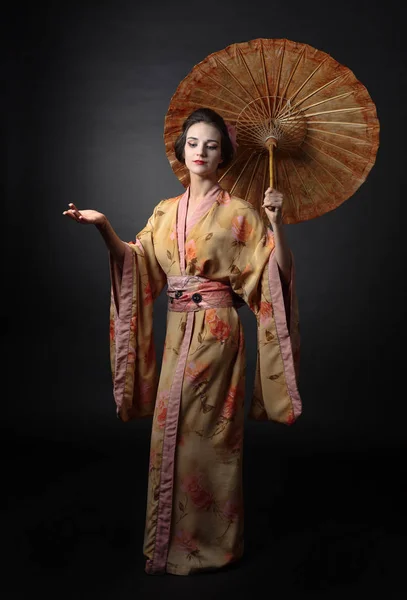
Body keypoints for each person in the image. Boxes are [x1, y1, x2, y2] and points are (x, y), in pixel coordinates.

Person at [63, 107, 302, 576]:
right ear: (182, 150)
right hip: (178, 336)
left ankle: (214, 546)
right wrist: (103, 226)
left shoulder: (241, 212)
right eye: (193, 142)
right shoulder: (164, 211)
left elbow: (276, 275)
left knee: (209, 441)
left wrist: (276, 223)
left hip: (217, 336)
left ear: (223, 156)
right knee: (168, 433)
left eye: (211, 145)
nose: (200, 152)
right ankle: (170, 544)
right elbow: (139, 264)